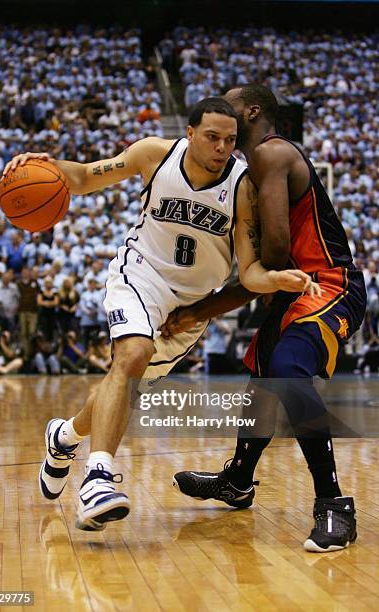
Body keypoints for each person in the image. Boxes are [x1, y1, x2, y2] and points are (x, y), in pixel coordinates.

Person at [2, 97, 318, 532]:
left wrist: (277, 280)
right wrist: (46, 164)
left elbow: (249, 271)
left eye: (229, 139)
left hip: (189, 309)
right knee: (132, 355)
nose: (222, 147)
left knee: (126, 384)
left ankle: (65, 437)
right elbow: (84, 178)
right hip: (140, 276)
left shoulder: (243, 187)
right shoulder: (154, 154)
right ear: (189, 133)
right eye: (211, 137)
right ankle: (98, 477)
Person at [162, 85, 367, 553]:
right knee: (261, 380)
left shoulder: (271, 154)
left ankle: (335, 504)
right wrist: (198, 309)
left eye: (229, 104)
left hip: (326, 283)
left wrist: (206, 305)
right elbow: (265, 273)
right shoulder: (243, 176)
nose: (217, 109)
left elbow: (273, 256)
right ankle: (238, 480)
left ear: (253, 111)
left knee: (287, 372)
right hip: (291, 289)